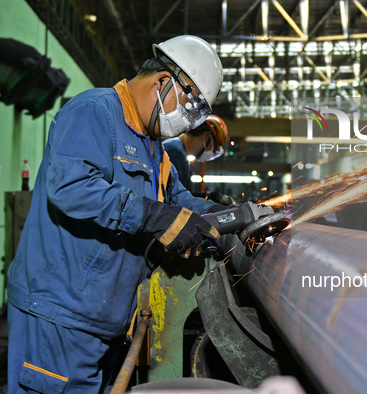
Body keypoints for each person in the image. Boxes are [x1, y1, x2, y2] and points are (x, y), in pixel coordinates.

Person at [6, 35, 228, 393]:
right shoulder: (94, 112)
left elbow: (180, 201)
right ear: (163, 82)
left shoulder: (153, 148)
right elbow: (71, 188)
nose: (189, 123)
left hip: (104, 322)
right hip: (59, 319)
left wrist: (233, 216)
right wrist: (154, 217)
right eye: (192, 107)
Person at [163, 114, 228, 190]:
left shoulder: (178, 149)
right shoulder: (176, 153)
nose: (211, 153)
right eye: (214, 148)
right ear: (207, 135)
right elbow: (176, 197)